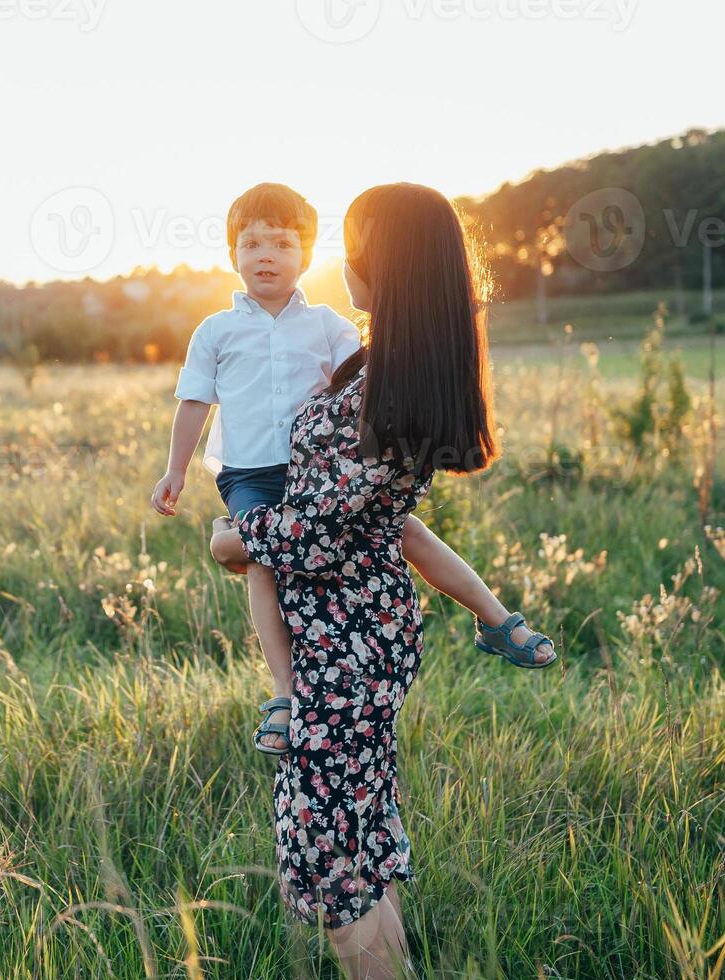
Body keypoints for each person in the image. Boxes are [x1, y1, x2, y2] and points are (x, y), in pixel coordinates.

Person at [209, 183, 557, 978]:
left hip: (345, 642)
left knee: (327, 849)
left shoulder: (388, 394)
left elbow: (316, 532)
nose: (343, 259)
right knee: (355, 827)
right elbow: (378, 521)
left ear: (385, 262)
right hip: (357, 630)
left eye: (355, 241)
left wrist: (234, 539)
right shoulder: (381, 366)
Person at [150, 182, 553, 762]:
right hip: (249, 474)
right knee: (264, 568)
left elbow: (368, 380)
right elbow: (194, 400)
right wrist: (176, 471)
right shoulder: (215, 330)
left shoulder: (328, 326)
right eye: (252, 243)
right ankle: (284, 695)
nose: (266, 255)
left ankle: (494, 616)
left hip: (315, 474)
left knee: (403, 528)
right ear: (231, 254)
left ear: (309, 257)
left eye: (282, 243)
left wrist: (229, 541)